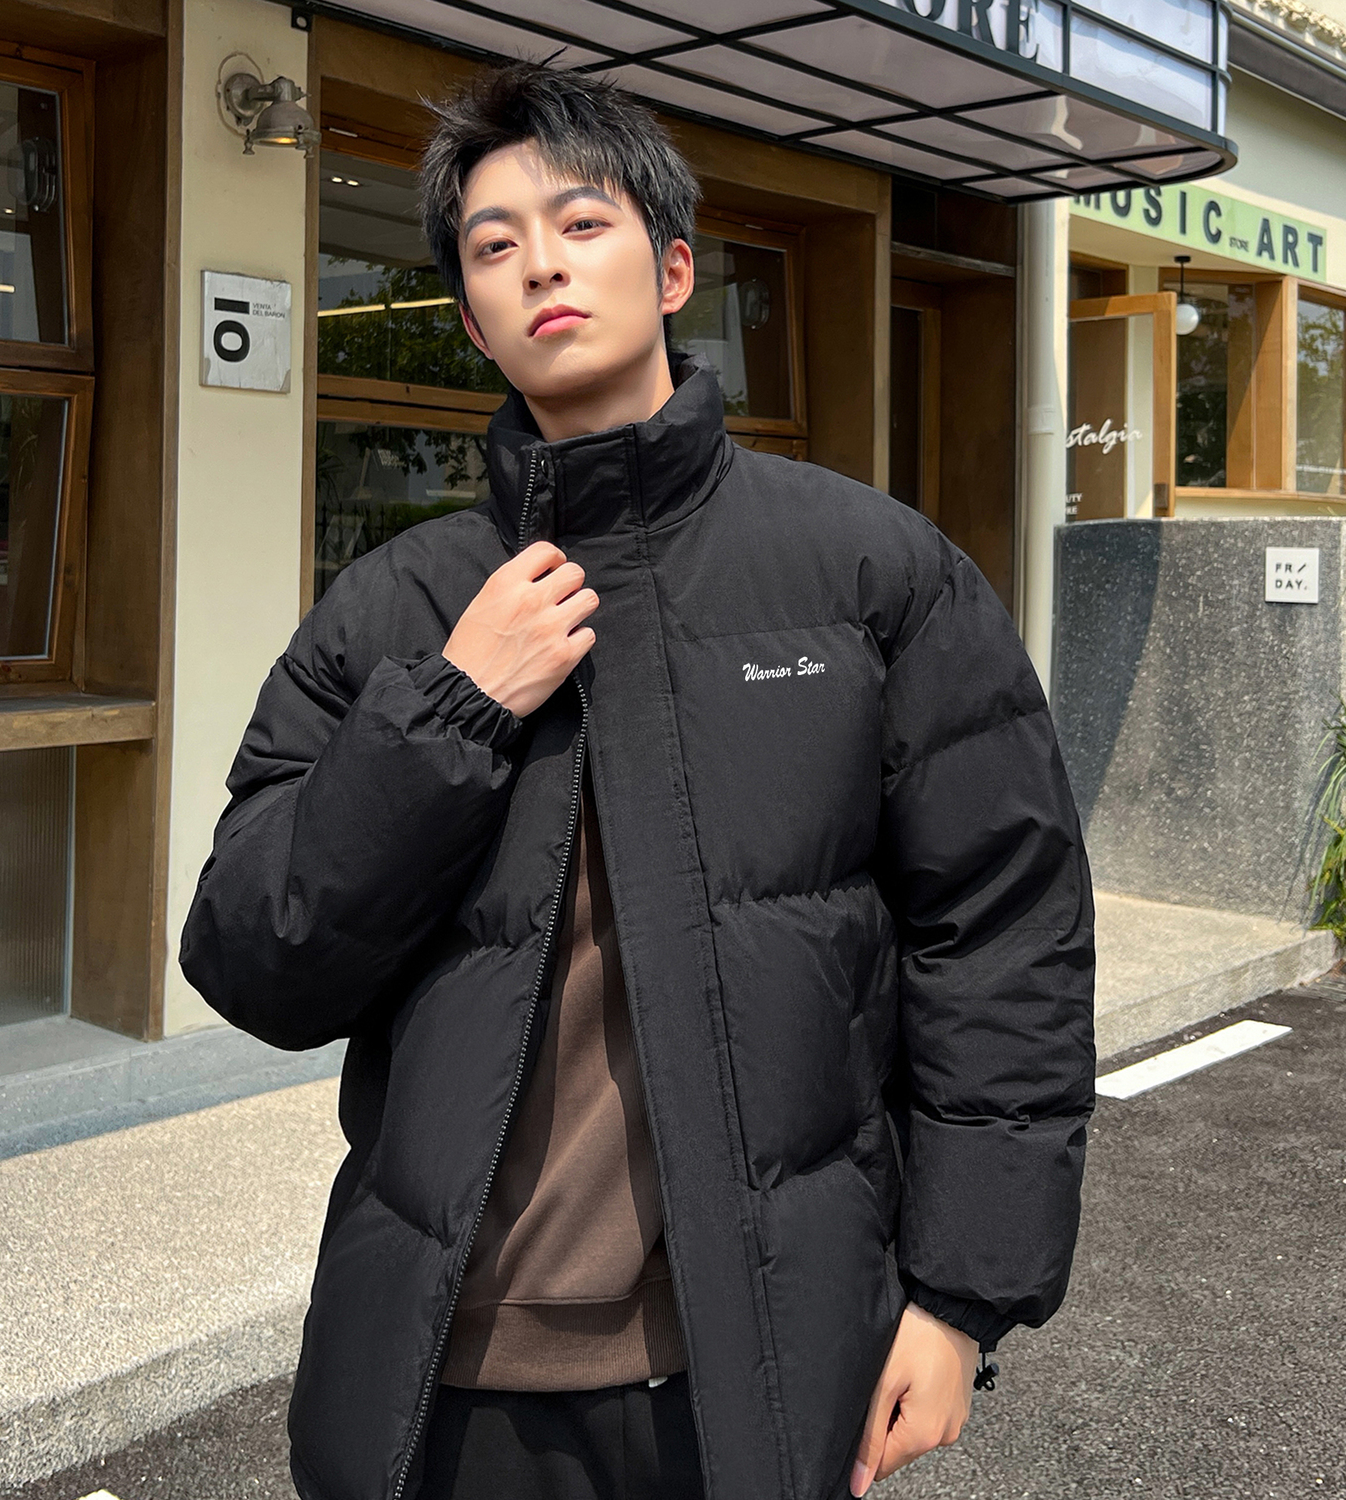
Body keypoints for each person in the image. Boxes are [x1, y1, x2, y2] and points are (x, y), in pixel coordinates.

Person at [179, 60, 1096, 1500]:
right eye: (493, 246)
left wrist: (962, 1295)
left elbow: (1002, 935)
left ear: (673, 273)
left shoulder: (871, 573)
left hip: (755, 1362)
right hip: (447, 1372)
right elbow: (253, 961)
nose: (539, 263)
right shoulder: (396, 611)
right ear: (473, 320)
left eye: (581, 223)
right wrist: (454, 711)